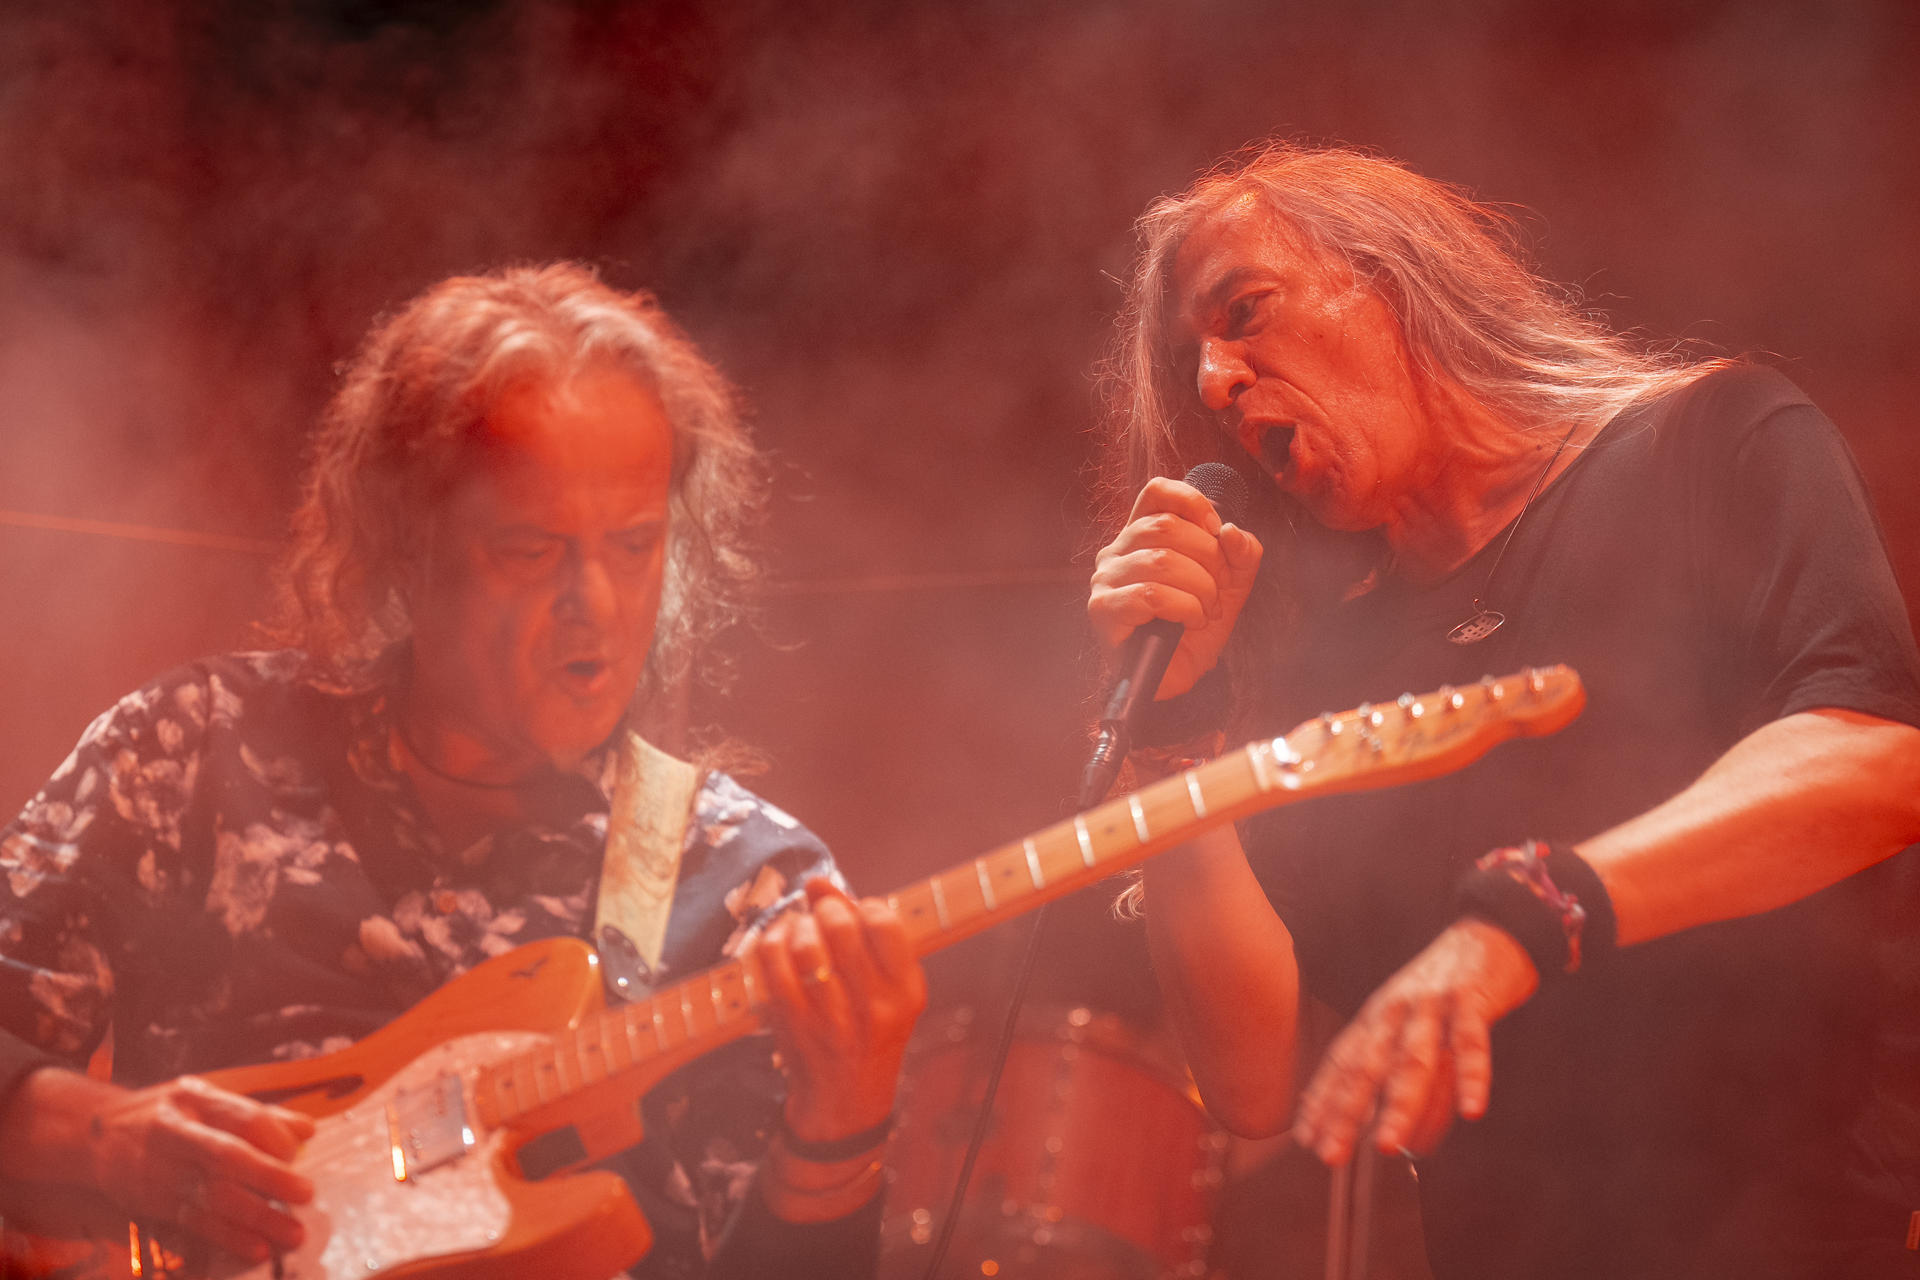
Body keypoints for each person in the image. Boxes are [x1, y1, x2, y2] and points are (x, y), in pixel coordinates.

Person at [1086, 144, 1920, 1278]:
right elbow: (1249, 1074)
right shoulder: (1338, 668)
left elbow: (1873, 758)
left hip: (1791, 1234)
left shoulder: (1711, 439)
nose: (1216, 382)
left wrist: (1530, 914)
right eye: (1195, 362)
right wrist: (1173, 731)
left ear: (1395, 279)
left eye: (1247, 311)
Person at [0, 263, 927, 1279]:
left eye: (634, 544)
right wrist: (105, 1135)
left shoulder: (749, 886)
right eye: (532, 549)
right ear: (406, 541)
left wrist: (843, 1120)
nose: (599, 604)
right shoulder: (193, 748)